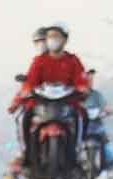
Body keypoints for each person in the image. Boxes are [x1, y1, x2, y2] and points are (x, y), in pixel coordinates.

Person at [10, 21, 91, 161]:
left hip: (67, 103)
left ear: (65, 39)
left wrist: (82, 88)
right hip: (41, 105)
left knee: (82, 115)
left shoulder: (73, 60)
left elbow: (81, 80)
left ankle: (78, 150)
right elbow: (30, 82)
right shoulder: (39, 61)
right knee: (25, 118)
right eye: (50, 36)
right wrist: (25, 92)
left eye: (56, 36)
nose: (53, 40)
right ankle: (26, 153)